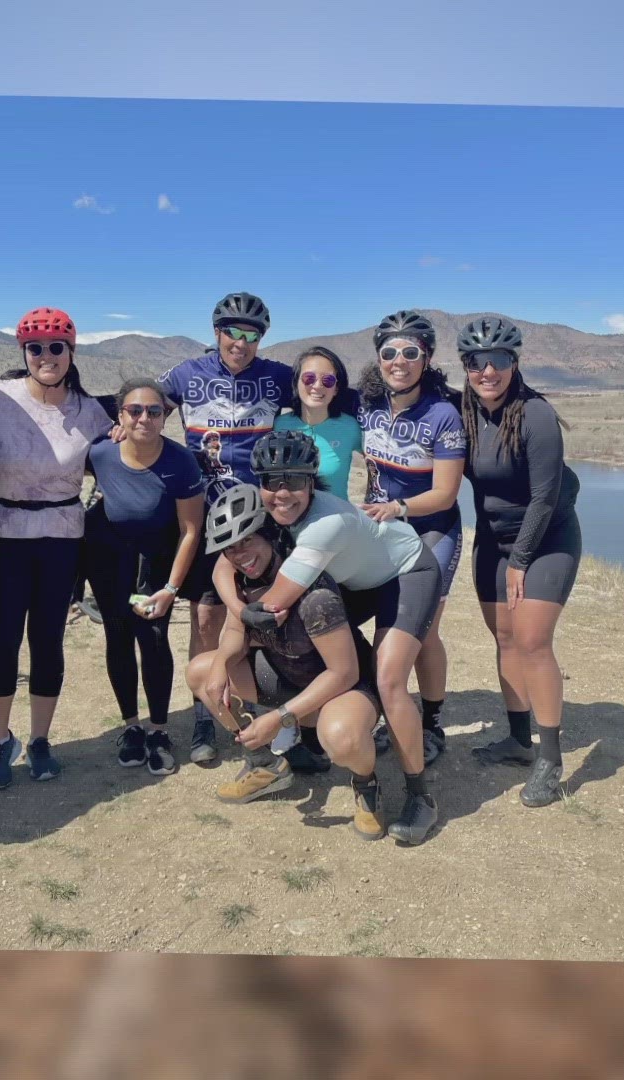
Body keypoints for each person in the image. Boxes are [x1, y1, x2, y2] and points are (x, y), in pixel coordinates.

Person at [224, 429, 445, 844]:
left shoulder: (324, 525)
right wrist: (236, 622)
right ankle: (315, 734)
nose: (282, 493)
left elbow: (272, 606)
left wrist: (239, 627)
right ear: (260, 484)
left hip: (405, 573)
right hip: (356, 580)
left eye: (294, 481)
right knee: (309, 637)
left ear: (312, 482)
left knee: (390, 677)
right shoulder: (268, 509)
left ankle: (420, 796)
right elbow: (224, 564)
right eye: (272, 481)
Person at [187, 485, 390, 839]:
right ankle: (266, 765)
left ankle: (366, 784)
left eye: (247, 541)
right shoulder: (245, 577)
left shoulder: (315, 594)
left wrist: (280, 720)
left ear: (270, 534)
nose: (240, 555)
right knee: (202, 672)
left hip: (342, 688)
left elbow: (344, 672)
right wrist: (222, 663)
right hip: (287, 674)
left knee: (341, 738)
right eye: (230, 549)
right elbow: (237, 628)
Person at [0, 307, 112, 790]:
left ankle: (41, 740)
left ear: (71, 352)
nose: (46, 355)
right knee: (2, 640)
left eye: (56, 347)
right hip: (4, 536)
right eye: (35, 347)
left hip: (62, 539)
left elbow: (122, 454)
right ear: (23, 353)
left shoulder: (90, 412)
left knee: (47, 640)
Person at [150, 292, 295, 763]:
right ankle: (203, 719)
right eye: (232, 331)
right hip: (208, 517)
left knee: (267, 614)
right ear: (216, 332)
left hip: (264, 520)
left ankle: (277, 712)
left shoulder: (278, 378)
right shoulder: (186, 375)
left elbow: (329, 396)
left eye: (252, 334)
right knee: (207, 618)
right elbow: (142, 406)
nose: (241, 341)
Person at [457, 316, 583, 807]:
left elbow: (544, 498)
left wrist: (520, 561)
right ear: (465, 366)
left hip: (546, 538)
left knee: (531, 641)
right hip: (491, 540)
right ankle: (517, 740)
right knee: (504, 637)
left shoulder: (535, 416)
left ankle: (550, 760)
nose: (488, 370)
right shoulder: (464, 410)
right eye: (476, 362)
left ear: (516, 362)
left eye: (500, 360)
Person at [357, 311, 467, 765]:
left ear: (426, 358)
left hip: (431, 529)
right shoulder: (366, 403)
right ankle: (386, 706)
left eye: (409, 352)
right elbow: (311, 394)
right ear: (378, 358)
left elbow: (444, 493)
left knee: (423, 630)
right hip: (382, 531)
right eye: (389, 352)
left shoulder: (442, 414)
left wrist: (400, 507)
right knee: (388, 624)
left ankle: (431, 721)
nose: (398, 361)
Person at [84, 378, 206, 774]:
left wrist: (172, 588)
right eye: (134, 410)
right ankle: (131, 727)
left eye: (154, 411)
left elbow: (190, 530)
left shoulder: (180, 461)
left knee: (153, 641)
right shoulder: (101, 452)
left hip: (155, 563)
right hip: (107, 561)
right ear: (119, 415)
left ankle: (158, 730)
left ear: (164, 417)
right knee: (116, 639)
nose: (144, 418)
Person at [273, 346, 364, 502]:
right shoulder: (279, 426)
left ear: (336, 389)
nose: (317, 386)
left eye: (328, 380)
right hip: (290, 520)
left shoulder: (351, 427)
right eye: (309, 378)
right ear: (296, 383)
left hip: (337, 520)